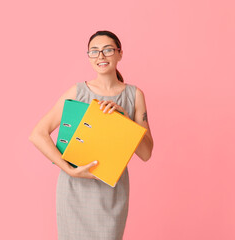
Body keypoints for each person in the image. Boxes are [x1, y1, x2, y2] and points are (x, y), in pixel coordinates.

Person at [29, 30, 154, 240]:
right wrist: (69, 170)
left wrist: (124, 118)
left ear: (120, 54)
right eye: (94, 51)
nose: (100, 56)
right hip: (74, 190)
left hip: (112, 193)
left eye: (107, 50)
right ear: (88, 56)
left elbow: (146, 153)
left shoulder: (134, 95)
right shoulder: (78, 92)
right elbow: (38, 134)